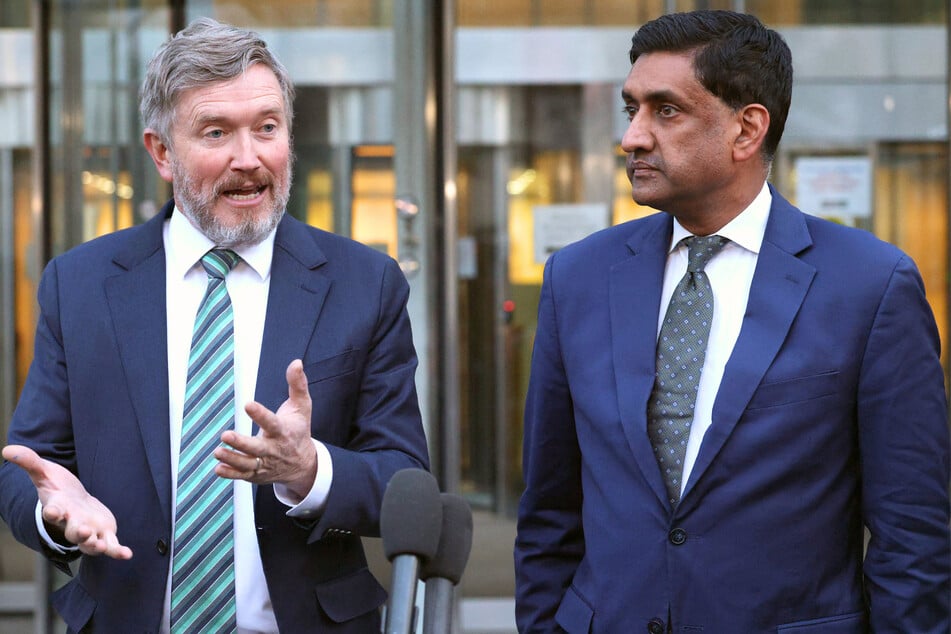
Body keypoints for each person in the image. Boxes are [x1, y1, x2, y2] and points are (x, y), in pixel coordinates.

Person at [514, 10, 950, 633]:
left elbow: (912, 535)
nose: (633, 137)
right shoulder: (579, 278)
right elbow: (550, 509)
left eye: (665, 111)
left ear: (747, 129)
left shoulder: (870, 286)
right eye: (630, 109)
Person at [0, 17, 429, 633]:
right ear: (162, 152)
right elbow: (30, 468)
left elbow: (404, 479)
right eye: (216, 132)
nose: (248, 159)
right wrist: (56, 518)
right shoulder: (82, 284)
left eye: (267, 128)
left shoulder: (365, 282)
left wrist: (310, 471)